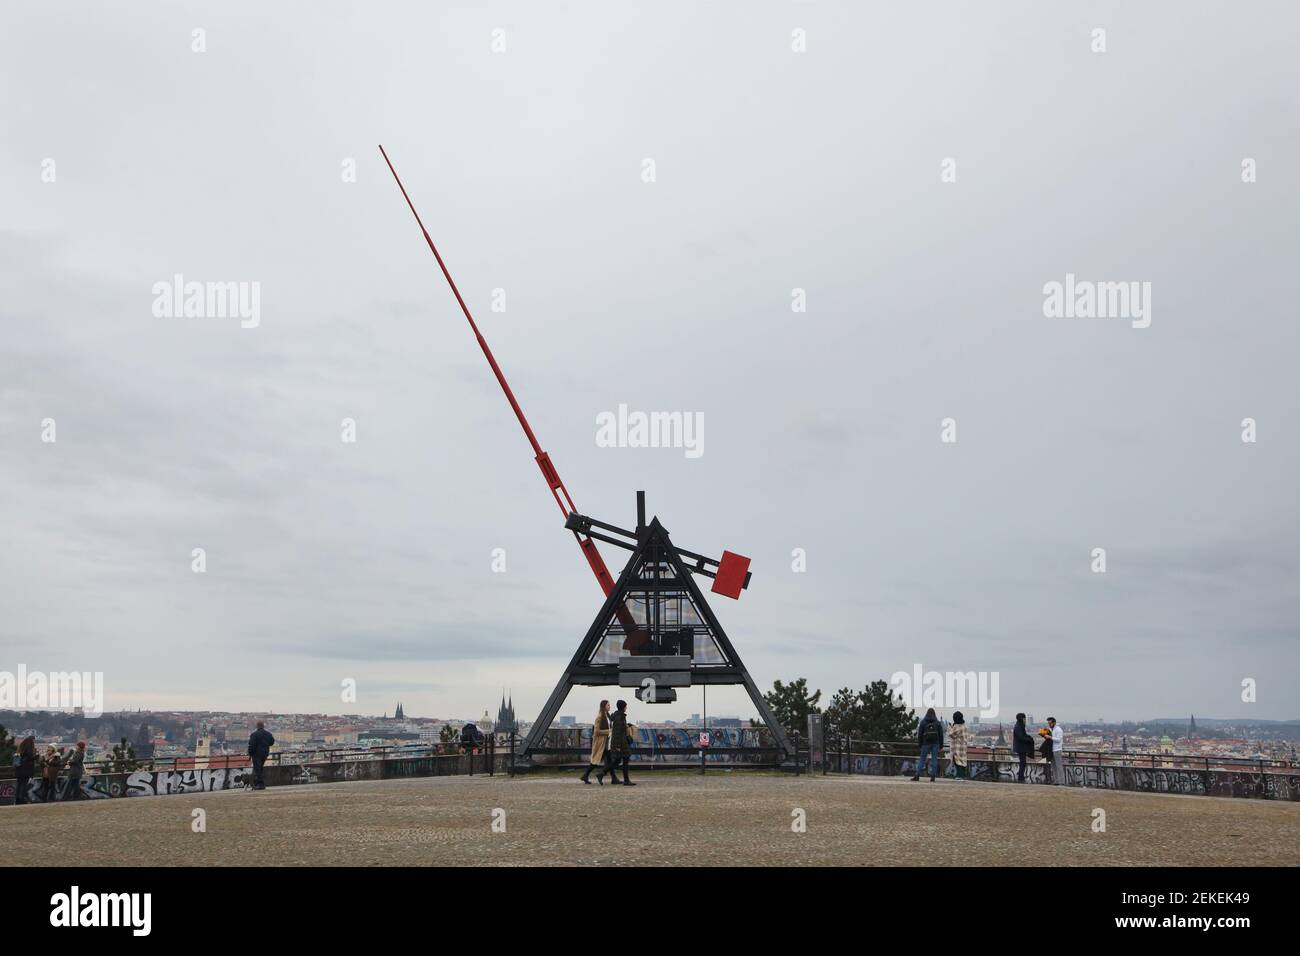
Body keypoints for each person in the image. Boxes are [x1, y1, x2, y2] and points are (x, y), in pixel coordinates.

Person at [581, 700, 613, 785]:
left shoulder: (607, 716)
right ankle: (588, 775)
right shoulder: (599, 717)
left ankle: (586, 775)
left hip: (606, 742)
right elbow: (596, 731)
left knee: (607, 760)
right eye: (608, 705)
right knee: (598, 761)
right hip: (601, 743)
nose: (610, 706)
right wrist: (609, 731)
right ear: (604, 706)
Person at [608, 699, 635, 786]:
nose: (626, 707)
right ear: (623, 707)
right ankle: (626, 780)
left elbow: (619, 729)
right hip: (621, 743)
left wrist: (627, 725)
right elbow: (618, 732)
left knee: (619, 761)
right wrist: (618, 746)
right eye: (626, 706)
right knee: (624, 760)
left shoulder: (618, 716)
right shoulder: (619, 717)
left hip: (621, 742)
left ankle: (602, 773)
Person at [912, 708, 943, 782]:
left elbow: (920, 734)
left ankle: (917, 775)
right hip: (935, 743)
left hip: (925, 743)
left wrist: (920, 744)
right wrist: (941, 746)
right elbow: (941, 735)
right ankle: (933, 776)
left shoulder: (923, 722)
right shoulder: (937, 723)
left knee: (922, 759)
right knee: (934, 759)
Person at [247, 721, 275, 790]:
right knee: (260, 768)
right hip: (265, 753)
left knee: (257, 769)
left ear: (257, 726)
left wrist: (250, 754)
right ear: (263, 726)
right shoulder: (268, 734)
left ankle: (260, 784)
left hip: (256, 754)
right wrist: (266, 745)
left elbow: (251, 745)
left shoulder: (254, 734)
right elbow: (272, 742)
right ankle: (258, 783)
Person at [1012, 713, 1033, 783]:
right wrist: (1029, 739)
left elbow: (1022, 735)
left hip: (1021, 747)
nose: (1025, 720)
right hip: (1020, 748)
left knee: (1023, 762)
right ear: (1021, 719)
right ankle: (1021, 778)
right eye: (1024, 718)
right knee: (1023, 762)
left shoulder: (1019, 725)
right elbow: (1021, 737)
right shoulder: (1018, 726)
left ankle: (1021, 777)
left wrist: (1028, 737)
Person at [948, 711, 970, 779]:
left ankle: (960, 775)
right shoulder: (964, 726)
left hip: (957, 747)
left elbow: (951, 734)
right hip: (963, 746)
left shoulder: (957, 726)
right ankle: (961, 775)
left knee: (957, 761)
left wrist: (950, 727)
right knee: (962, 761)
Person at [15, 736, 36, 805]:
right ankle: (21, 798)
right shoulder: (28, 752)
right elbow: (31, 757)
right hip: (25, 771)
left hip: (19, 771)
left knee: (19, 784)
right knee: (23, 785)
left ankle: (17, 799)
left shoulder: (20, 751)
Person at [1047, 717, 1065, 786]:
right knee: (1053, 766)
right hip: (1052, 750)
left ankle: (1062, 782)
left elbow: (1059, 740)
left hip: (1057, 750)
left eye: (1050, 723)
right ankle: (1056, 781)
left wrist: (1050, 737)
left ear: (1054, 722)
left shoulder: (1058, 730)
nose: (1049, 724)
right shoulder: (1051, 730)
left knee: (1059, 766)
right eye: (1048, 723)